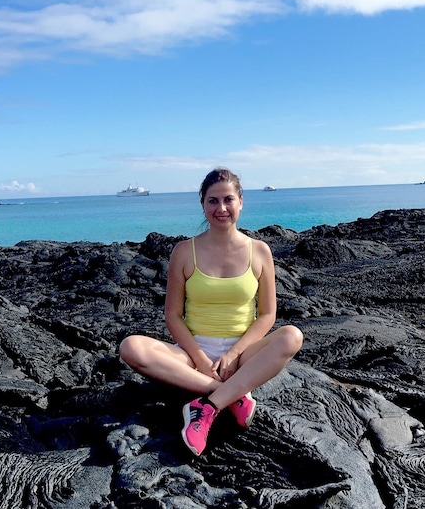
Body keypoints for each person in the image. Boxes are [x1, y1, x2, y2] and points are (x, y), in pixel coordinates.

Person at [119, 167, 303, 456]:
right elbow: (173, 315)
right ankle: (231, 395)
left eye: (228, 199)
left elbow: (267, 314)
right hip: (193, 354)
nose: (221, 208)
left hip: (244, 355)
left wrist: (233, 354)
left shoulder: (259, 251)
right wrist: (201, 358)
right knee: (131, 347)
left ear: (241, 201)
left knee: (292, 336)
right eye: (213, 201)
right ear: (202, 204)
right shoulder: (183, 251)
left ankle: (207, 406)